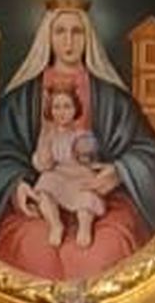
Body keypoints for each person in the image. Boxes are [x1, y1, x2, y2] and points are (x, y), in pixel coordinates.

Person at [0, 0, 155, 286]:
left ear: (88, 37)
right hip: (39, 202)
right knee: (30, 250)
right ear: (48, 36)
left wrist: (120, 172)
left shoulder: (112, 99)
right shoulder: (21, 100)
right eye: (60, 31)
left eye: (77, 31)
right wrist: (15, 187)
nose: (69, 41)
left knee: (104, 252)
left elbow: (150, 154)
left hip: (100, 200)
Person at [24, 79, 116, 246]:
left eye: (67, 106)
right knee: (44, 189)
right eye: (56, 107)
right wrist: (45, 142)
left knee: (86, 200)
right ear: (50, 111)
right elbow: (43, 164)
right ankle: (55, 225)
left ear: (75, 109)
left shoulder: (81, 135)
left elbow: (90, 155)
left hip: (78, 176)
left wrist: (85, 151)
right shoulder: (48, 136)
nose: (61, 112)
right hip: (59, 177)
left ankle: (84, 227)